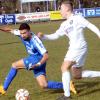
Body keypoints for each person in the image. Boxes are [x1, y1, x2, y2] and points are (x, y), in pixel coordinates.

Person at [37, 0, 100, 100]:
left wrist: (99, 34)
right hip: (75, 49)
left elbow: (90, 25)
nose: (60, 11)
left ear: (67, 9)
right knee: (77, 75)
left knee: (64, 67)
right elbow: (56, 35)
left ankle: (67, 96)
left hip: (78, 47)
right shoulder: (64, 24)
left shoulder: (77, 18)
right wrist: (43, 36)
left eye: (61, 9)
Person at [0, 23, 66, 95]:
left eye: (24, 33)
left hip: (38, 59)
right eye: (21, 33)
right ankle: (67, 85)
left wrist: (38, 64)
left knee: (14, 65)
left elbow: (46, 56)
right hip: (35, 59)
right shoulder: (21, 33)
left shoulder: (35, 41)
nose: (22, 35)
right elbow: (9, 30)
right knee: (44, 84)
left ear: (29, 31)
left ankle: (3, 88)